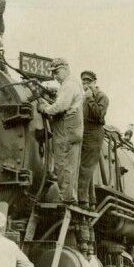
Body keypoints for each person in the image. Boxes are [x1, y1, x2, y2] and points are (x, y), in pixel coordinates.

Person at [39, 58, 84, 205]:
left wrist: (45, 108)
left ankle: (66, 198)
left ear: (65, 68)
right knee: (71, 165)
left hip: (65, 129)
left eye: (56, 72)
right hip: (73, 129)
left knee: (62, 164)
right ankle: (70, 196)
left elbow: (61, 106)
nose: (55, 76)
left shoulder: (68, 84)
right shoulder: (75, 84)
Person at [77, 70, 109, 210]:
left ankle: (81, 199)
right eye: (83, 82)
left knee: (86, 167)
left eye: (88, 82)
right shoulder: (83, 97)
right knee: (81, 166)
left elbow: (99, 116)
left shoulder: (102, 97)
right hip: (82, 132)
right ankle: (89, 200)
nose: (85, 84)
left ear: (95, 82)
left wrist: (90, 98)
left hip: (94, 133)